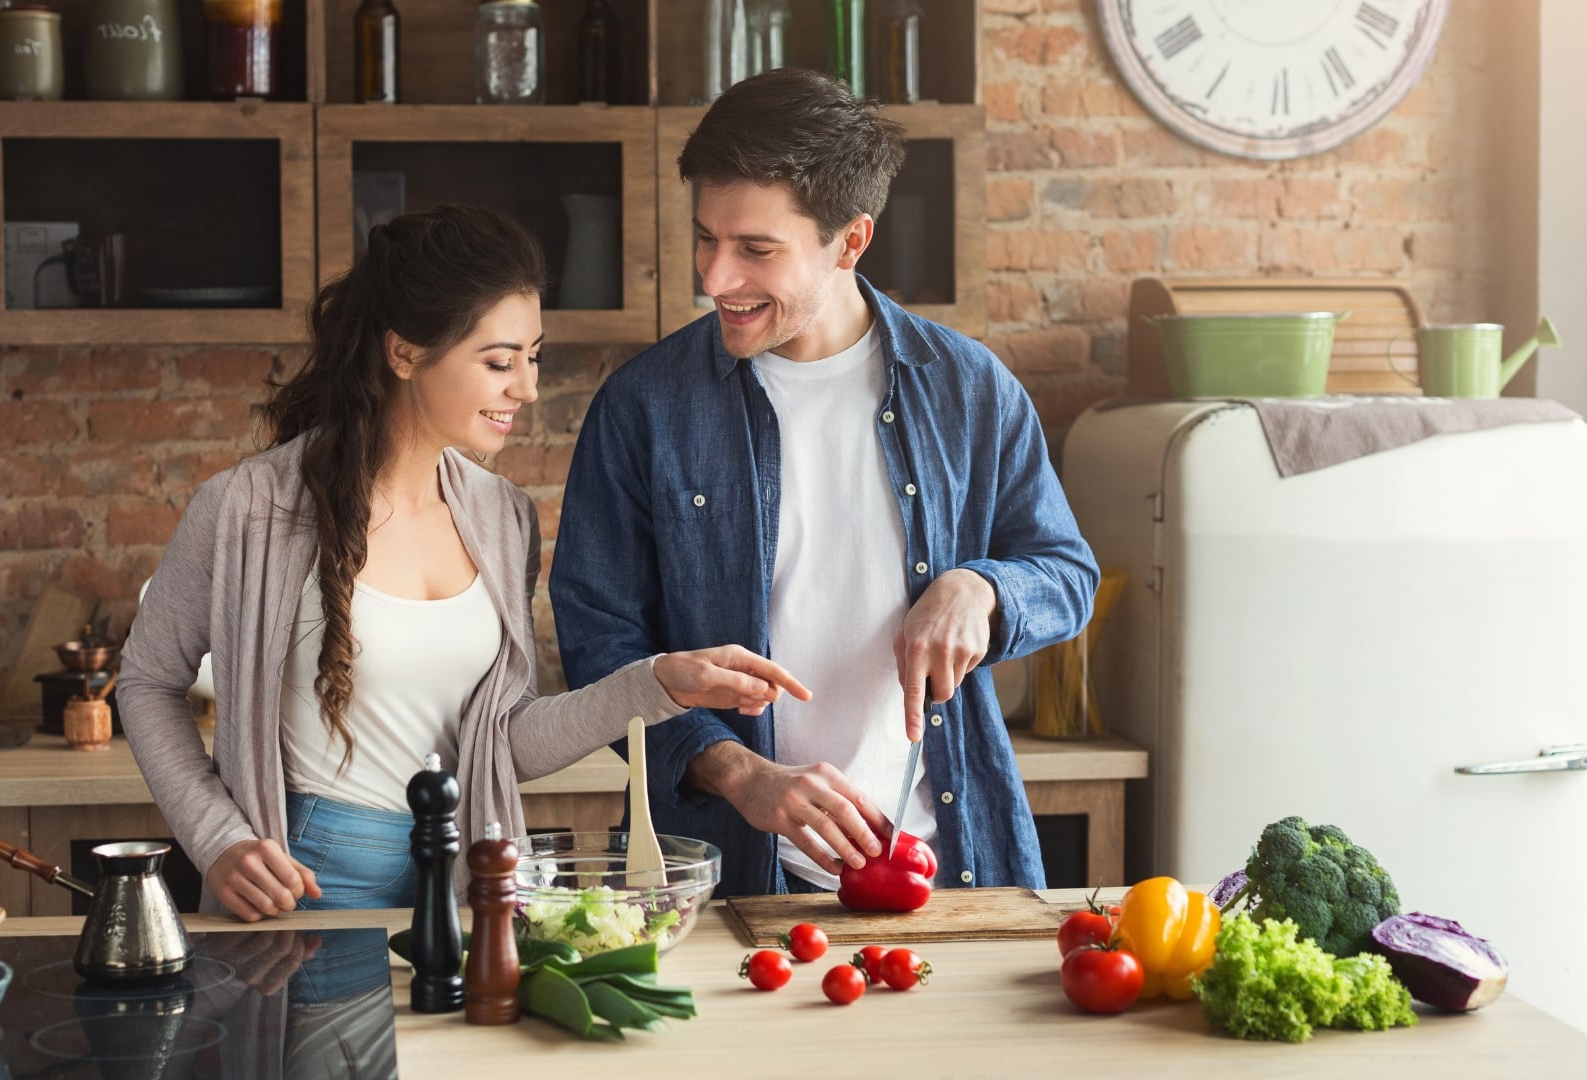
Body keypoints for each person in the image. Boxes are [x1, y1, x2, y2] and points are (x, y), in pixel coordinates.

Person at [118, 205, 809, 922]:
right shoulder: (248, 509)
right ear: (406, 353)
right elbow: (146, 682)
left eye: (532, 357)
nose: (528, 388)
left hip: (467, 883)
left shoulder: (502, 517)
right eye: (499, 361)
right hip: (308, 882)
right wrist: (217, 838)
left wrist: (658, 683)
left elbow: (502, 742)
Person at [549, 70, 1099, 898]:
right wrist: (738, 772)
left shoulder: (970, 390)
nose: (715, 277)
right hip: (726, 879)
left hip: (946, 866)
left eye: (756, 250)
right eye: (706, 238)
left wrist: (981, 589)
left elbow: (1066, 573)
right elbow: (600, 644)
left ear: (850, 241)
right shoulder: (644, 408)